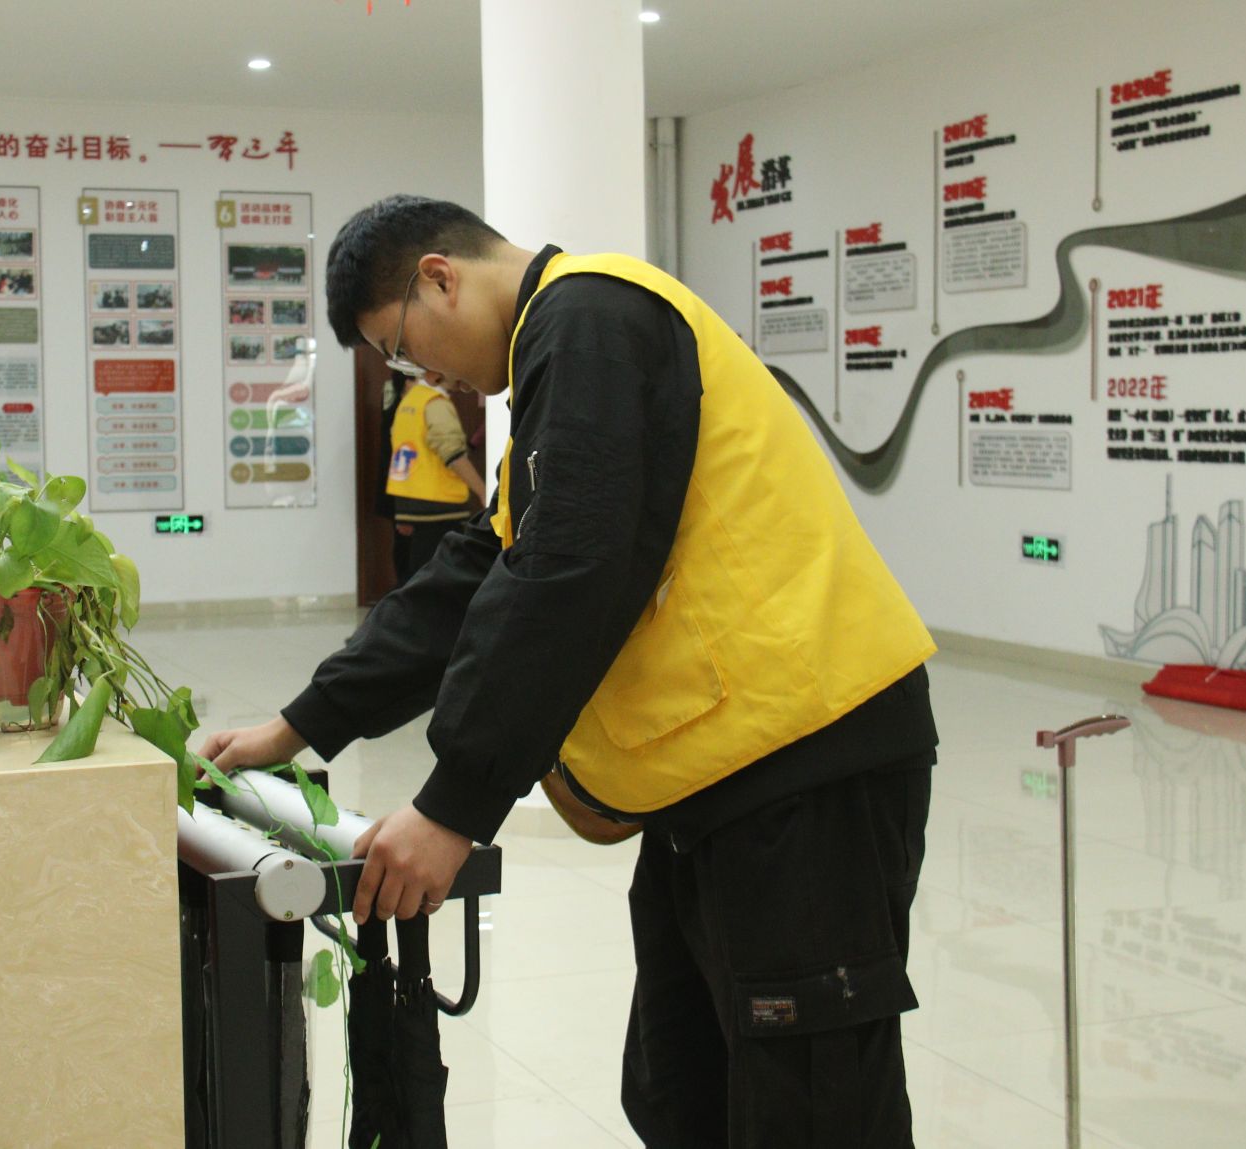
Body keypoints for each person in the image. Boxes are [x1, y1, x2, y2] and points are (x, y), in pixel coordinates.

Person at [204, 195, 939, 1146]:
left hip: (807, 763)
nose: (422, 374)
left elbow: (567, 573)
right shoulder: (561, 358)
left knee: (808, 1105)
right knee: (681, 1089)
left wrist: (452, 807)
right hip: (717, 779)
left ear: (439, 278)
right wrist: (301, 724)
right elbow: (480, 571)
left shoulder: (592, 316)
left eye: (403, 347)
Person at [387, 367, 486, 583]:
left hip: (409, 501)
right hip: (438, 502)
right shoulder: (434, 403)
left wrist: (401, 510)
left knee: (416, 576)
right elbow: (453, 454)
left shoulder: (409, 402)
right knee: (438, 579)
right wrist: (482, 491)